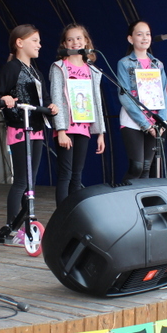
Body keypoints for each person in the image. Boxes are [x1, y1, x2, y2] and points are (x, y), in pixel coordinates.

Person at [0, 24, 58, 246]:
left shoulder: (36, 72)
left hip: (36, 131)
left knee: (31, 183)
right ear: (19, 43)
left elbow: (44, 99)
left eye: (39, 41)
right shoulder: (12, 68)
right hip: (19, 130)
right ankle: (11, 228)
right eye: (35, 40)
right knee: (21, 182)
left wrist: (51, 107)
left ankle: (25, 224)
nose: (39, 45)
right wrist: (2, 100)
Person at [49, 23, 106, 206]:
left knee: (77, 174)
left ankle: (74, 212)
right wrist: (61, 130)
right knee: (65, 173)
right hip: (66, 127)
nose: (75, 42)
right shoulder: (59, 67)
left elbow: (96, 102)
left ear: (86, 41)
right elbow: (56, 97)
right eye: (70, 39)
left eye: (79, 38)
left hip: (84, 127)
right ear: (64, 44)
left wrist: (100, 133)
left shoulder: (92, 70)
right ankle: (62, 214)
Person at [116, 20, 167, 181]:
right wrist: (146, 125)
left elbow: (163, 94)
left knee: (146, 167)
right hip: (132, 121)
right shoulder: (124, 63)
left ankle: (141, 198)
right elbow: (124, 95)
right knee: (137, 166)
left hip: (154, 121)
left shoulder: (157, 64)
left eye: (148, 34)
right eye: (139, 34)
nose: (145, 38)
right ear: (130, 39)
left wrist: (162, 121)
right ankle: (124, 194)